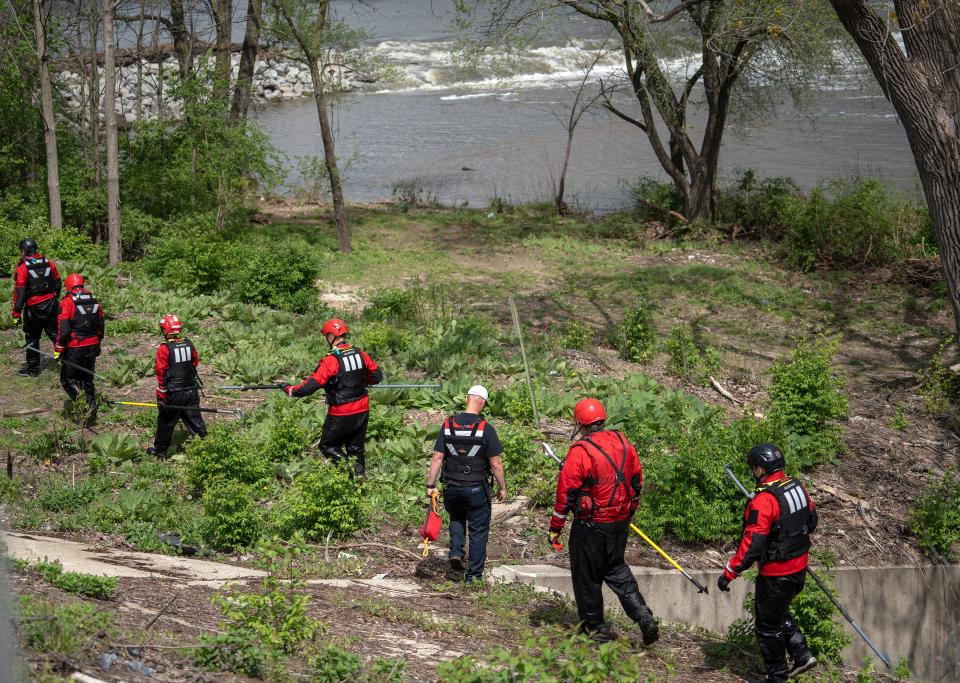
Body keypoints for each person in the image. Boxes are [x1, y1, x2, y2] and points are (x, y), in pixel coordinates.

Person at [549, 397, 659, 645]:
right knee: (617, 569)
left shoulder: (581, 451)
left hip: (591, 526)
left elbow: (565, 493)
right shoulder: (623, 442)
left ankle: (597, 631)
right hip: (619, 523)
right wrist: (628, 514)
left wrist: (555, 528)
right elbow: (637, 482)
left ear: (582, 424)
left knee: (586, 577)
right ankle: (643, 616)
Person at [717, 444, 818, 682]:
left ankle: (777, 675)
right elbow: (812, 520)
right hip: (798, 567)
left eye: (754, 468)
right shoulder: (796, 487)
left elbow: (752, 545)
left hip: (777, 574)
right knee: (778, 613)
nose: (753, 472)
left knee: (766, 627)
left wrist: (730, 571)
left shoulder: (763, 501)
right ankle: (802, 655)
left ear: (760, 468)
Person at [425, 384, 507, 582]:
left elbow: (437, 458)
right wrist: (503, 487)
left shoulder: (448, 425)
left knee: (456, 518)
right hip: (477, 488)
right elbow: (495, 464)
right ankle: (474, 576)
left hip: (452, 486)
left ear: (467, 399)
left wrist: (430, 485)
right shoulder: (485, 428)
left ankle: (455, 551)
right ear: (483, 402)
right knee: (478, 531)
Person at [281, 318, 382, 478]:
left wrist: (289, 389)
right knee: (356, 448)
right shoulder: (361, 354)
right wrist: (360, 382)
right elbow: (376, 376)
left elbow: (307, 388)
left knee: (327, 445)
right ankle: (360, 480)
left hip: (341, 412)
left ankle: (348, 476)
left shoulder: (331, 360)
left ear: (330, 337)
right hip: (362, 408)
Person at [147, 314, 206, 459]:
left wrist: (161, 393)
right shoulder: (189, 343)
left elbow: (161, 372)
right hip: (191, 389)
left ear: (165, 330)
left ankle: (160, 452)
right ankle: (206, 447)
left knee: (166, 422)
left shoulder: (165, 348)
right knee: (195, 420)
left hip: (173, 393)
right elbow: (194, 362)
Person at [54, 273, 104, 422]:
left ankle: (87, 406)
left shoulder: (67, 302)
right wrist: (98, 343)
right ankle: (92, 407)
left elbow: (64, 331)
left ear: (68, 286)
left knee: (68, 380)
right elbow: (101, 325)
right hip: (92, 345)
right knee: (87, 379)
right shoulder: (94, 301)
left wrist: (58, 349)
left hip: (75, 347)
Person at [11, 237, 61, 377]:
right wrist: (53, 297)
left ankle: (33, 370)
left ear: (24, 251)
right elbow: (58, 282)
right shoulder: (49, 263)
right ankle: (69, 364)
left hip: (34, 308)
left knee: (32, 338)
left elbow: (19, 293)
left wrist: (16, 312)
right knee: (56, 334)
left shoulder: (22, 269)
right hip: (52, 304)